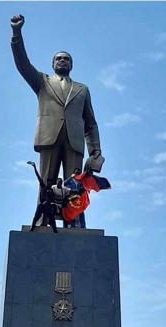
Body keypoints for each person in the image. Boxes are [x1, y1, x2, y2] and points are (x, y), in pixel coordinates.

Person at [10, 15, 104, 198]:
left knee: (75, 185)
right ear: (53, 64)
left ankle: (74, 221)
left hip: (74, 142)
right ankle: (43, 220)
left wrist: (96, 151)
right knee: (46, 182)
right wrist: (16, 32)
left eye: (66, 59)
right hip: (49, 138)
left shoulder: (82, 90)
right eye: (58, 58)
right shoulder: (43, 82)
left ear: (71, 65)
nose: (62, 60)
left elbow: (90, 124)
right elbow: (23, 64)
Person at [27, 161, 59, 232]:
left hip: (48, 207)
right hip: (42, 206)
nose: (50, 184)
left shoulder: (52, 190)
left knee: (52, 219)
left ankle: (54, 230)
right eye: (49, 182)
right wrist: (34, 167)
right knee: (36, 217)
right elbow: (38, 177)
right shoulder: (43, 186)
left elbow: (54, 200)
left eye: (51, 183)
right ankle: (32, 228)